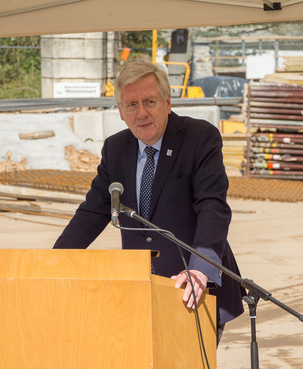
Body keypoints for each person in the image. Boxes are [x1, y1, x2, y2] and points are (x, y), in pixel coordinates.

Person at [54, 61, 245, 341]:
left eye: (149, 101)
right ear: (120, 112)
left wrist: (200, 269)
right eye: (131, 104)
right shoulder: (116, 148)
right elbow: (93, 212)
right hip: (140, 290)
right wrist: (52, 261)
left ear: (167, 103)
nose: (141, 113)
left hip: (192, 289)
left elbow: (212, 207)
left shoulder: (199, 138)